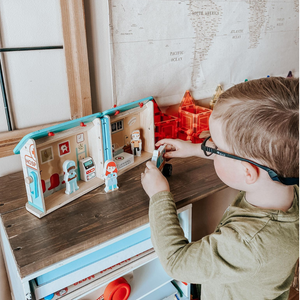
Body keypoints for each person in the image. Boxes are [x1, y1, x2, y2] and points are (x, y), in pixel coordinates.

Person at [141, 77, 299, 300]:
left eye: (216, 144)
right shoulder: (288, 187)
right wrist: (196, 150)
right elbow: (240, 159)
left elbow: (176, 261)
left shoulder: (248, 243)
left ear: (248, 172)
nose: (209, 146)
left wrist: (159, 195)